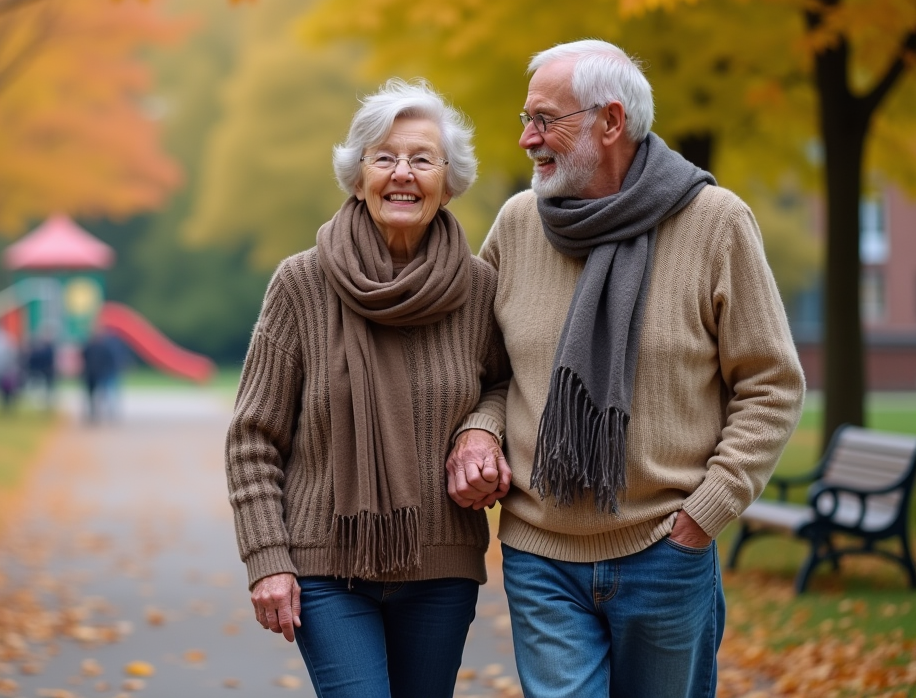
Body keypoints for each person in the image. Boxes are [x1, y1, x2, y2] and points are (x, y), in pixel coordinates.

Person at [446, 39, 806, 698]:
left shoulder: (715, 223)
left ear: (611, 122)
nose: (528, 138)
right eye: (525, 119)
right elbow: (483, 371)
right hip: (541, 555)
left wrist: (704, 515)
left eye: (545, 120)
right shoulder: (519, 225)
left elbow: (770, 383)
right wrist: (479, 433)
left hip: (666, 553)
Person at [225, 79, 510, 698]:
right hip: (327, 567)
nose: (402, 173)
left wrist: (483, 427)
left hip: (440, 567)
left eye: (421, 159)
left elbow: (507, 386)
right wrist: (267, 558)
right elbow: (253, 437)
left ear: (448, 181)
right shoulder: (301, 284)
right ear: (358, 176)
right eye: (384, 157)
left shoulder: (480, 289)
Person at [80, 328, 116, 424]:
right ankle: (95, 413)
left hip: (96, 374)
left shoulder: (96, 347)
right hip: (94, 374)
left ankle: (96, 413)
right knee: (94, 395)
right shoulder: (98, 347)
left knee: (97, 395)